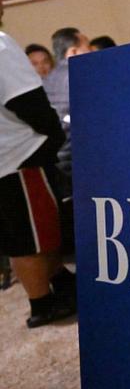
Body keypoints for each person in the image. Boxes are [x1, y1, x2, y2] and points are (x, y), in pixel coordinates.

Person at [0, 21, 76, 327]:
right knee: (32, 235)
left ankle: (59, 281)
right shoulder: (1, 44)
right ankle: (42, 303)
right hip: (18, 153)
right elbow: (26, 100)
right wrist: (54, 135)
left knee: (19, 233)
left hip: (4, 158)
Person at [42, 27, 91, 124]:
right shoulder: (82, 76)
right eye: (88, 47)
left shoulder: (48, 79)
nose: (92, 51)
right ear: (74, 52)